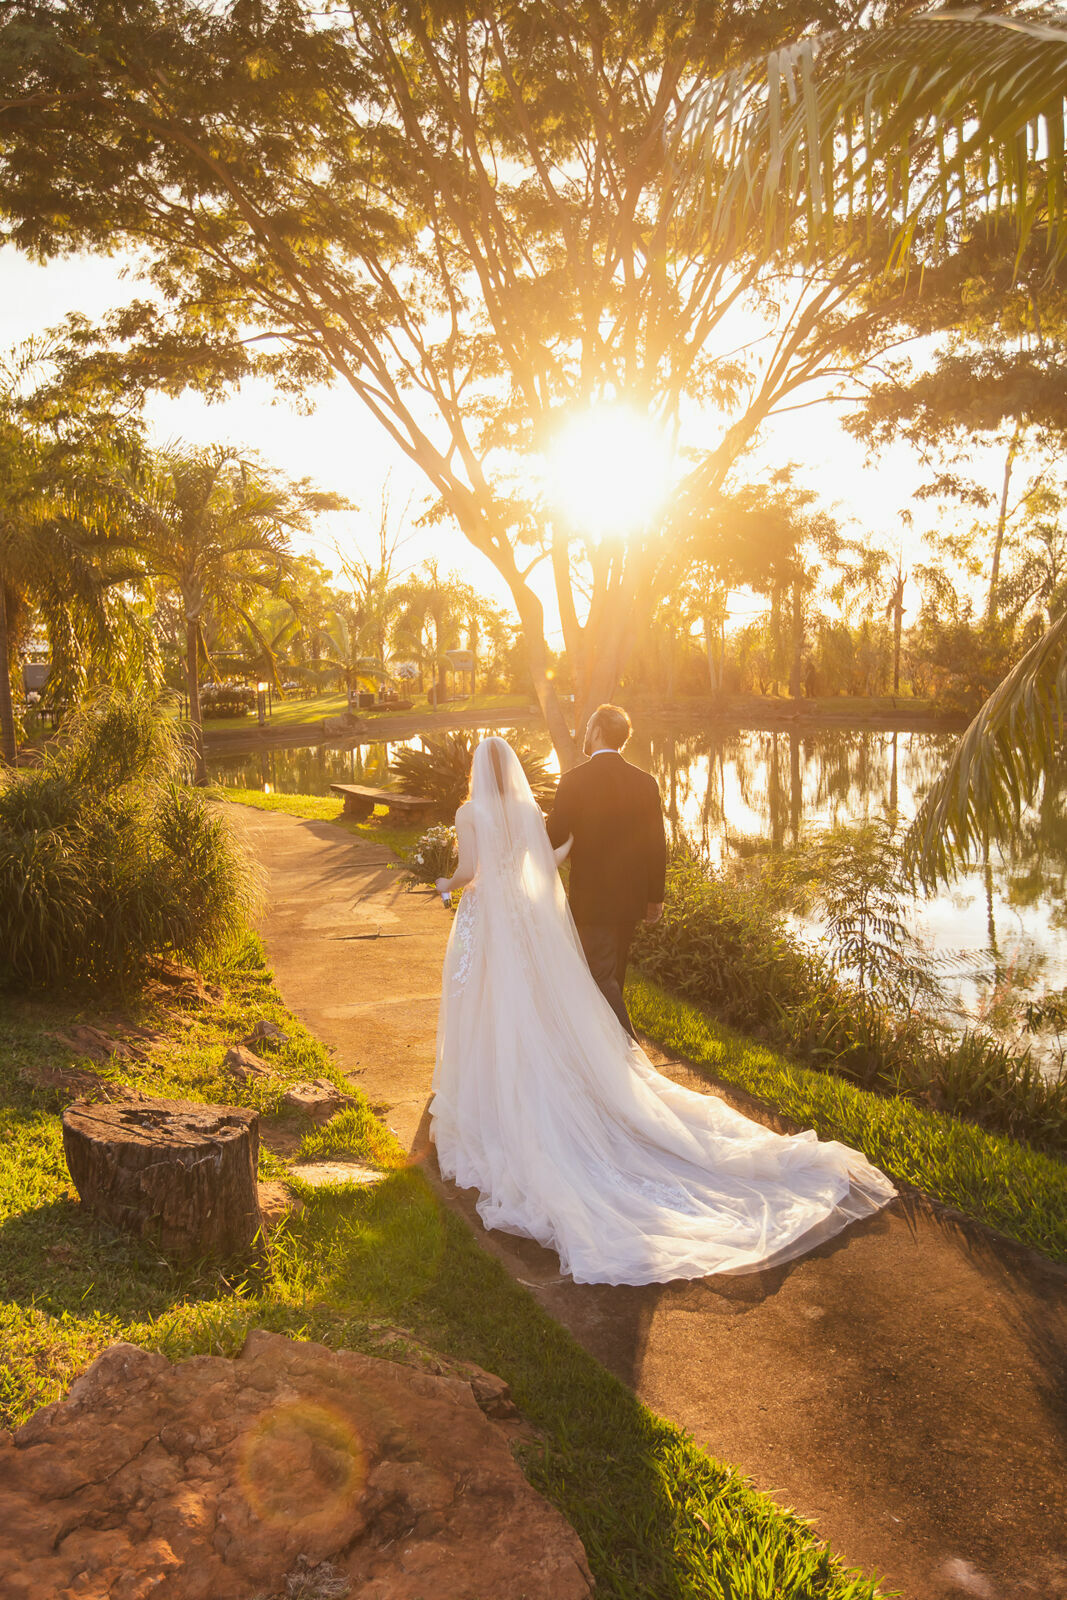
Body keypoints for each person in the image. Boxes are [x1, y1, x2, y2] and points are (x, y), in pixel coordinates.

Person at [431, 734, 896, 1286]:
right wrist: (580, 855)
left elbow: (468, 870)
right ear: (510, 768)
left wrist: (442, 883)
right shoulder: (530, 807)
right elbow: (548, 858)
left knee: (486, 1001)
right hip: (528, 922)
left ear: (477, 770)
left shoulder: (470, 810)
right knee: (534, 1002)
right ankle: (565, 1070)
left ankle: (490, 1086)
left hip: (489, 920)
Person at [544, 703, 665, 1037]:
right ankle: (606, 1051)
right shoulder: (645, 782)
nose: (585, 734)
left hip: (592, 901)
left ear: (597, 732)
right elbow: (656, 844)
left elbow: (552, 835)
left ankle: (628, 1054)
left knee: (600, 976)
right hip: (630, 901)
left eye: (587, 729)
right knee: (613, 976)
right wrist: (655, 897)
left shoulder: (574, 781)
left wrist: (529, 824)